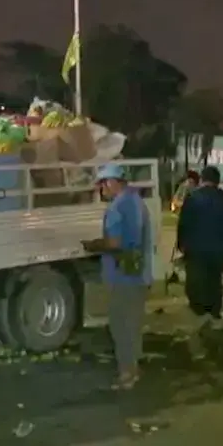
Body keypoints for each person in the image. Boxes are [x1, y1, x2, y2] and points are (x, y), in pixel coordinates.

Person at [82, 163, 152, 389]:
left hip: (123, 276)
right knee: (132, 324)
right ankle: (134, 369)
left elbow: (114, 243)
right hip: (140, 273)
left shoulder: (116, 208)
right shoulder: (138, 202)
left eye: (102, 184)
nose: (101, 189)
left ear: (112, 182)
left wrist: (93, 245)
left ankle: (126, 375)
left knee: (121, 326)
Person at [176, 166, 223, 324]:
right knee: (214, 281)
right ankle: (213, 312)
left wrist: (181, 244)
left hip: (195, 249)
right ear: (217, 181)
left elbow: (183, 223)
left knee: (195, 281)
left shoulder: (192, 198)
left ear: (203, 179)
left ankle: (198, 312)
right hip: (218, 250)